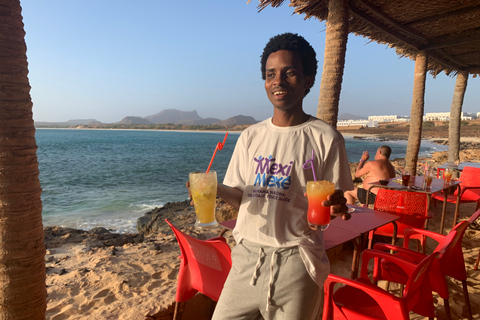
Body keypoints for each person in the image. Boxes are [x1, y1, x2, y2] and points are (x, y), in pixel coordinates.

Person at [187, 33, 353, 320]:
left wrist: (337, 206)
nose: (278, 81)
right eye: (270, 74)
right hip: (246, 259)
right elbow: (242, 198)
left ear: (308, 79)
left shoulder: (326, 138)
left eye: (289, 73)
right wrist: (215, 190)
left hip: (297, 262)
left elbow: (336, 201)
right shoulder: (250, 136)